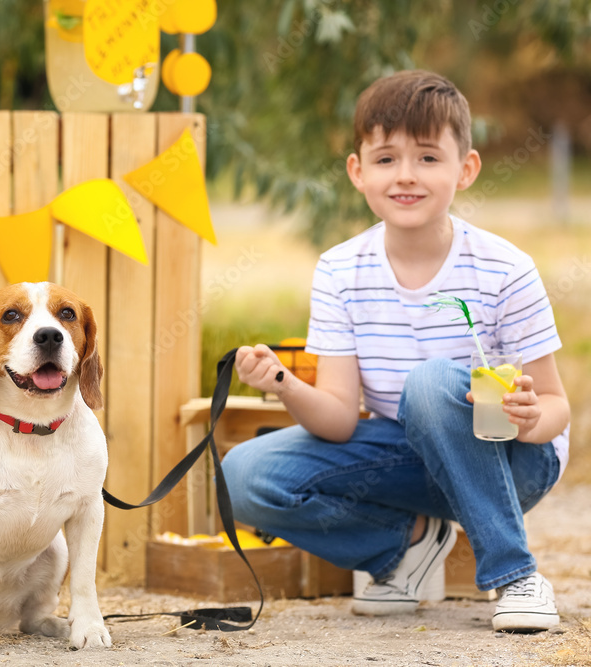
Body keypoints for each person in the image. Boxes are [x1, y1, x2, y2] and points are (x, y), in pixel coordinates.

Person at [223, 70, 570, 632]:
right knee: (243, 475)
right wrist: (283, 381)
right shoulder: (340, 270)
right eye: (386, 159)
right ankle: (408, 544)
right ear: (358, 172)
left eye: (429, 158)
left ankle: (515, 574)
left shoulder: (506, 269)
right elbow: (338, 420)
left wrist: (531, 418)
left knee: (431, 384)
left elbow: (557, 407)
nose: (406, 176)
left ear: (467, 169)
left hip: (514, 459)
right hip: (412, 459)